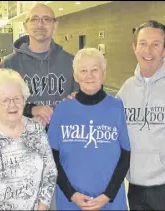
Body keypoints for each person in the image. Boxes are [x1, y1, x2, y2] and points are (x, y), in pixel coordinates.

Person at [116, 20, 165, 210]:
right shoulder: (127, 88)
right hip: (136, 189)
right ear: (134, 47)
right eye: (143, 43)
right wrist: (80, 99)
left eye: (156, 44)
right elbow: (106, 118)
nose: (148, 51)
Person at [47, 48, 131, 210]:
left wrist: (108, 195)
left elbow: (126, 154)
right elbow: (52, 158)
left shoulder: (116, 107)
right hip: (71, 201)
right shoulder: (62, 110)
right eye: (83, 70)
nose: (89, 75)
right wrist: (71, 194)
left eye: (95, 69)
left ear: (103, 73)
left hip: (110, 201)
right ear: (75, 75)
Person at [0, 69, 58, 210]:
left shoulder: (36, 130)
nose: (12, 105)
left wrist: (42, 207)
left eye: (17, 98)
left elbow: (49, 172)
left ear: (24, 99)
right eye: (5, 100)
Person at [0, 3, 78, 128]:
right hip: (22, 140)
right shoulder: (9, 64)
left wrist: (79, 99)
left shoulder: (72, 62)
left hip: (62, 139)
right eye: (34, 19)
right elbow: (0, 105)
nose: (40, 25)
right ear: (25, 26)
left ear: (55, 25)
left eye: (46, 19)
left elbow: (81, 103)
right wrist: (31, 110)